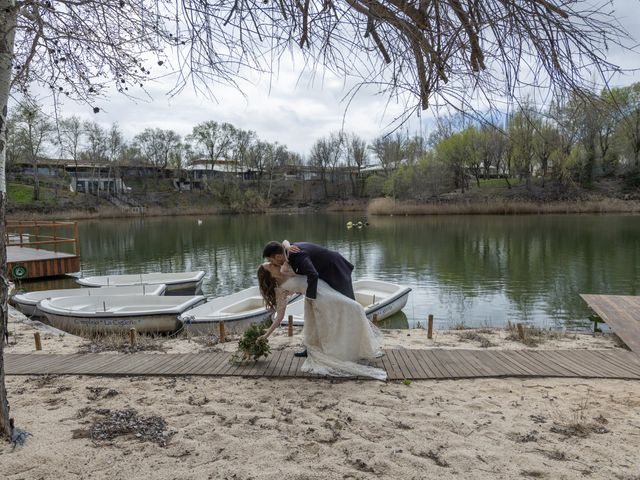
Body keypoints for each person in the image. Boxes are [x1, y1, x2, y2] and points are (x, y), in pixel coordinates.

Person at [256, 259, 387, 381]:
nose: (274, 264)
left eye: (271, 262)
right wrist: (266, 335)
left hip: (324, 288)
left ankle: (359, 349)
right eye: (270, 266)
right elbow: (280, 316)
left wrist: (288, 246)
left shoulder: (286, 268)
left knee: (355, 309)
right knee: (355, 309)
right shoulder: (280, 289)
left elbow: (286, 248)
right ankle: (341, 353)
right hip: (320, 298)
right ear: (269, 275)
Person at [263, 240, 355, 357]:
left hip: (336, 270)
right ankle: (311, 349)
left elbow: (312, 274)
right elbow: (285, 242)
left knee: (350, 307)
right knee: (312, 320)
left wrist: (311, 298)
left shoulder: (295, 254)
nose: (272, 264)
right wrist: (287, 245)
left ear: (277, 256)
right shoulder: (286, 255)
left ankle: (352, 346)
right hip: (319, 282)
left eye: (271, 261)